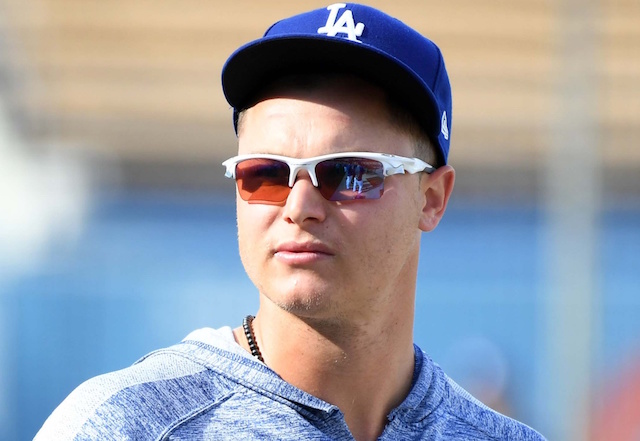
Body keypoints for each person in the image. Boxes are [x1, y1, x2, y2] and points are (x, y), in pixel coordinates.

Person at [35, 3, 546, 440]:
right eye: (264, 173)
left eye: (349, 173)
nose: (299, 206)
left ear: (432, 198)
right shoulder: (124, 425)